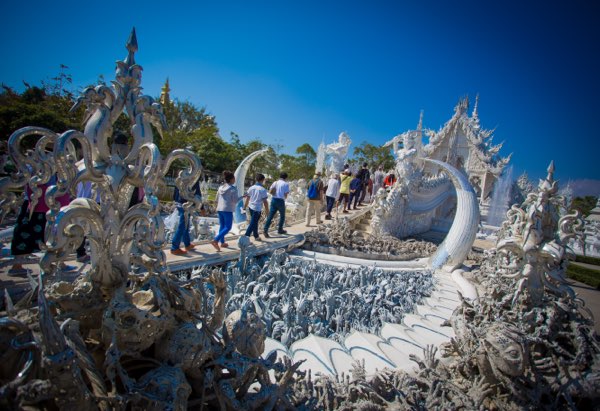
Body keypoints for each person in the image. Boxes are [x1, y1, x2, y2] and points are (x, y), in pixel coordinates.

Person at [9, 176, 71, 275]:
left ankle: (60, 263)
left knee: (55, 235)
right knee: (55, 235)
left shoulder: (53, 168)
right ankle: (17, 266)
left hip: (43, 205)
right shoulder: (44, 167)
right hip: (40, 206)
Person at [170, 178, 202, 255]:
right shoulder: (194, 178)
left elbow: (175, 191)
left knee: (185, 225)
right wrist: (202, 207)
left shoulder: (181, 177)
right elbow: (197, 194)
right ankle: (174, 247)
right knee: (182, 225)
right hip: (187, 204)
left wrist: (176, 201)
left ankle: (187, 244)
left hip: (179, 203)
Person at [211, 170, 240, 251]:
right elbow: (235, 200)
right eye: (234, 178)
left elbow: (216, 199)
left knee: (222, 226)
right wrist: (242, 197)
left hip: (220, 209)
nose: (235, 180)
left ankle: (222, 242)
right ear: (231, 179)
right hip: (227, 209)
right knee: (228, 227)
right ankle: (215, 240)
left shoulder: (220, 188)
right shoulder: (233, 189)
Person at [243, 173, 269, 241]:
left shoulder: (251, 188)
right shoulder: (263, 190)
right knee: (253, 223)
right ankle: (245, 237)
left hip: (250, 207)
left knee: (254, 222)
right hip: (257, 209)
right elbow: (265, 202)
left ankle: (256, 236)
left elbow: (247, 198)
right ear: (262, 180)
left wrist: (244, 207)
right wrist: (267, 211)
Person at [263, 172, 290, 237]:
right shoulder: (285, 184)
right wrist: (284, 197)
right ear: (285, 178)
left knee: (270, 216)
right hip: (280, 201)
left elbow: (270, 190)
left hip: (273, 200)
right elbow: (286, 195)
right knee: (282, 216)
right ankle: (280, 229)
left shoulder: (275, 182)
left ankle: (265, 230)